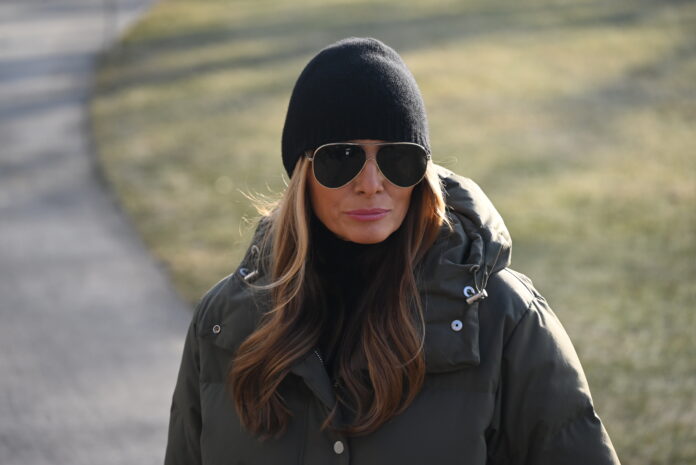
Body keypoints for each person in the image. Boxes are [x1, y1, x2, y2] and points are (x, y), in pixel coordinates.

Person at [164, 37, 621, 465]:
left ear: (422, 173)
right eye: (340, 157)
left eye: (397, 158)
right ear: (302, 172)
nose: (370, 184)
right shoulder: (222, 322)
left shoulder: (504, 318)